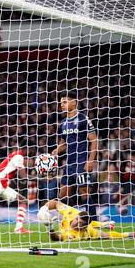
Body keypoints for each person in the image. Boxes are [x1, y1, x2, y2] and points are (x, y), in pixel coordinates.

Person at [52, 91, 98, 220]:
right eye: (61, 102)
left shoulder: (83, 119)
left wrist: (90, 161)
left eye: (65, 102)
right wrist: (57, 150)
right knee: (63, 194)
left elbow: (94, 140)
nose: (62, 105)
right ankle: (68, 222)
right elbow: (64, 144)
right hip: (69, 164)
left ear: (74, 102)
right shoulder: (63, 123)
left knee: (84, 192)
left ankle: (93, 222)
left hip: (82, 161)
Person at [37, 199, 135, 241]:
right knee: (96, 225)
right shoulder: (71, 212)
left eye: (80, 224)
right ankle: (104, 224)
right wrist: (43, 209)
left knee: (106, 235)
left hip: (91, 233)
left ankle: (128, 234)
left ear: (84, 228)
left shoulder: (74, 235)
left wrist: (49, 227)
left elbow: (56, 238)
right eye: (77, 219)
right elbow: (55, 203)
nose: (76, 223)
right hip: (88, 223)